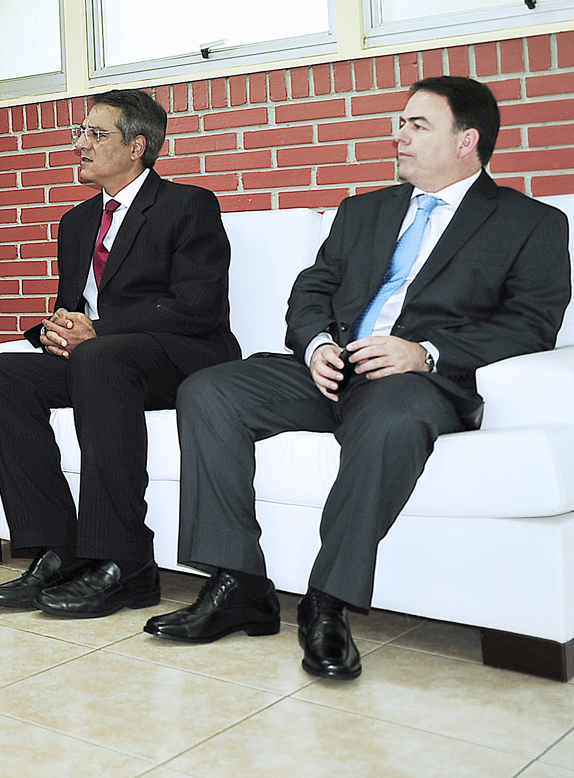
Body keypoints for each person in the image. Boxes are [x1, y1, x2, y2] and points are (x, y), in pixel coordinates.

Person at [146, 76, 571, 680]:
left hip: (412, 382)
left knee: (392, 421)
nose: (400, 135)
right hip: (329, 370)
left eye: (418, 125)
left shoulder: (529, 223)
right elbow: (312, 288)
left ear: (466, 141)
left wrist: (425, 353)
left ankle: (327, 602)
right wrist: (316, 344)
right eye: (401, 123)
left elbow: (531, 325)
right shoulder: (363, 211)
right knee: (209, 391)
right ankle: (238, 583)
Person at [0, 89, 240, 618]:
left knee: (99, 358)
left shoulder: (188, 205)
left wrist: (96, 332)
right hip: (103, 361)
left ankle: (126, 561)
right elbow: (72, 307)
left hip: (180, 358)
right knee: (0, 373)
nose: (81, 144)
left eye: (96, 134)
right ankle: (58, 549)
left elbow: (197, 306)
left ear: (137, 146)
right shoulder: (77, 222)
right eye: (81, 132)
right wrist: (54, 331)